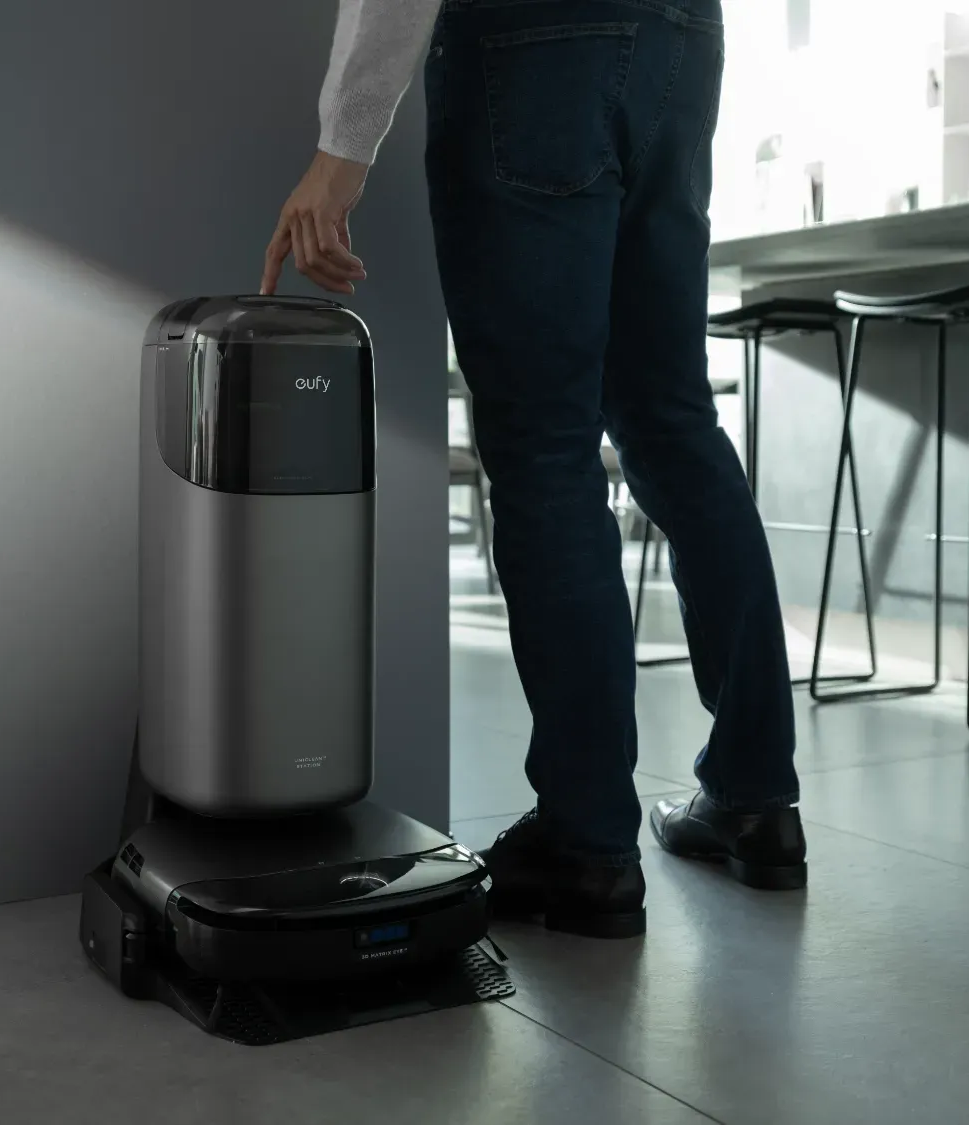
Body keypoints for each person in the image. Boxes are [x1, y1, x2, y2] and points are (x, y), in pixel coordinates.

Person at [261, 0, 806, 940]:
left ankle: (586, 843)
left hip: (535, 40)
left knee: (543, 442)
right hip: (684, 35)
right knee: (673, 420)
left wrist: (341, 147)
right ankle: (758, 798)